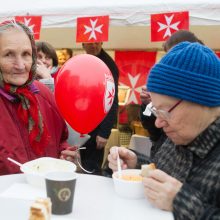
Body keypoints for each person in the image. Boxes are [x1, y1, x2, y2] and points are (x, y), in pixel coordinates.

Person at [108, 42, 220, 219]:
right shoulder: (177, 135)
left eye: (165, 111)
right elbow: (163, 173)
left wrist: (182, 203)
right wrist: (136, 165)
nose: (159, 123)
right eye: (155, 110)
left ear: (202, 101)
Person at [0, 20, 76, 175]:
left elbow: (61, 140)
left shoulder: (44, 94)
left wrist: (65, 156)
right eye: (9, 54)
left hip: (46, 195)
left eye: (26, 54)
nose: (21, 65)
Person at [140, 30, 204, 157]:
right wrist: (149, 104)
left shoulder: (203, 88)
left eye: (176, 56)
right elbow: (154, 131)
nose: (171, 63)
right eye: (168, 57)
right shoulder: (165, 81)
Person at [81, 42, 119, 175]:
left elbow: (112, 100)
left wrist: (104, 132)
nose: (94, 46)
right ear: (83, 44)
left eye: (97, 43)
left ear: (102, 43)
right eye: (90, 43)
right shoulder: (83, 62)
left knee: (92, 169)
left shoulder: (108, 65)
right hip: (82, 126)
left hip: (97, 129)